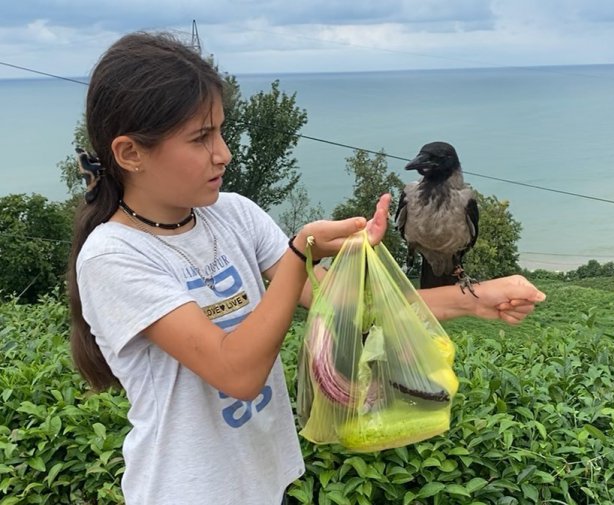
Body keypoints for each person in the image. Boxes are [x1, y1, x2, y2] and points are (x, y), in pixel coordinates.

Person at [67, 31, 546, 505]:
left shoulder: (233, 214)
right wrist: (301, 253)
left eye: (220, 130)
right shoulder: (114, 257)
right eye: (201, 138)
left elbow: (347, 309)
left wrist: (479, 299)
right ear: (130, 153)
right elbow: (236, 372)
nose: (224, 153)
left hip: (263, 479)